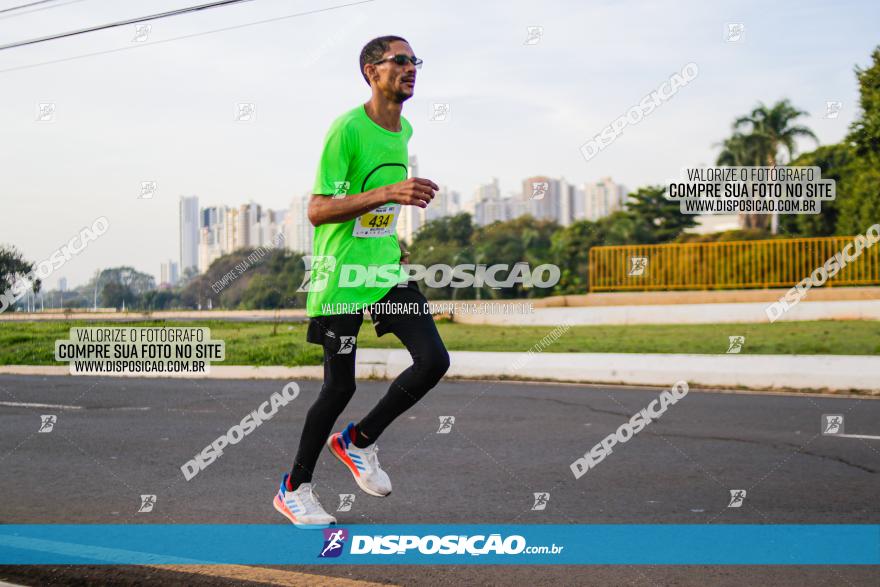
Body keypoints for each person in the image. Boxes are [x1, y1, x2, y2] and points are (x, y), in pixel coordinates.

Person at [273, 35, 450, 528]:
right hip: (340, 278)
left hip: (384, 271)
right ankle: (294, 489)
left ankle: (358, 441)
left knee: (434, 359)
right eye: (400, 60)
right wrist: (389, 191)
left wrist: (391, 237)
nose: (411, 67)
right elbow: (318, 209)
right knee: (339, 387)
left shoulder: (404, 130)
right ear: (371, 71)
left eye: (416, 60)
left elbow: (378, 210)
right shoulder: (347, 129)